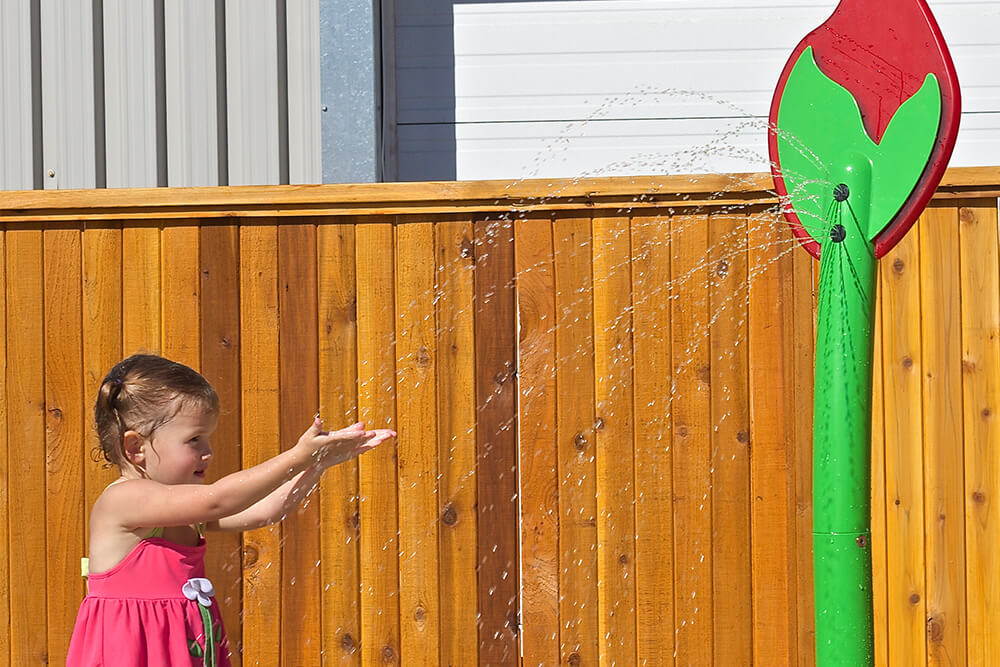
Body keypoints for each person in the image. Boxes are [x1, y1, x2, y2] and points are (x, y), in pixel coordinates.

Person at [66, 354, 395, 666]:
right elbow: (217, 500)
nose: (208, 451)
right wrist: (298, 456)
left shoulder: (180, 509)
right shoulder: (122, 501)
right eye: (194, 439)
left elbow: (265, 511)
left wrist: (318, 465)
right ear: (136, 448)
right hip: (130, 654)